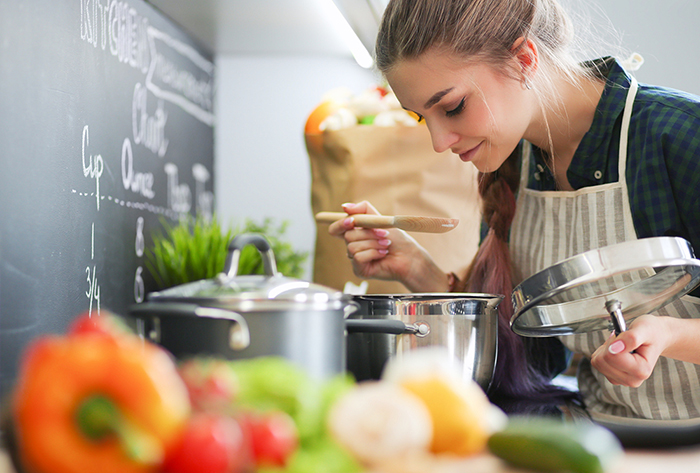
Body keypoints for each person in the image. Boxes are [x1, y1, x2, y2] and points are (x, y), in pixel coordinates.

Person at [327, 0, 700, 420]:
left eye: (452, 107)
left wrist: (671, 334)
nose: (438, 142)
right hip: (609, 442)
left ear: (524, 59)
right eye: (421, 117)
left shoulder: (681, 135)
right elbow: (530, 358)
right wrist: (417, 269)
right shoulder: (515, 165)